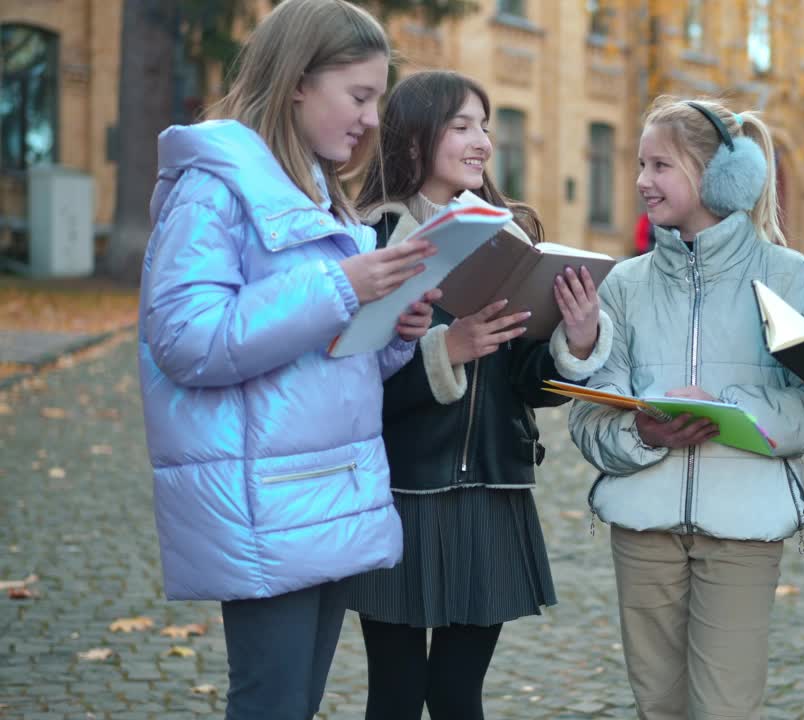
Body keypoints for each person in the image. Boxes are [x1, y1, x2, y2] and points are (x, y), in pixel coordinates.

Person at [136, 1, 440, 718]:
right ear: (298, 81)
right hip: (263, 496)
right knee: (271, 702)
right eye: (359, 96)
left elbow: (327, 355)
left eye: (377, 99)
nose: (371, 119)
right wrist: (341, 286)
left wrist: (394, 329)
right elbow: (186, 339)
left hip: (325, 487)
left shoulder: (318, 189)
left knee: (294, 704)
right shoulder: (215, 188)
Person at [345, 70, 614, 720]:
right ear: (414, 139)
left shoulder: (510, 235)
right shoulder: (372, 242)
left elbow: (528, 382)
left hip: (494, 488)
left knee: (459, 693)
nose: (483, 142)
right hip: (401, 492)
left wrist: (574, 342)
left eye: (486, 127)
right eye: (463, 126)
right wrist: (447, 350)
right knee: (397, 695)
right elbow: (349, 385)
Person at [566, 96, 804, 720]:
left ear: (723, 178)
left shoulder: (790, 278)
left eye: (660, 165)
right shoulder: (623, 286)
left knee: (724, 709)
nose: (641, 181)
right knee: (657, 708)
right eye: (639, 164)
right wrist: (643, 434)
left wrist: (727, 408)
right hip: (642, 533)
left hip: (744, 534)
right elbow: (588, 422)